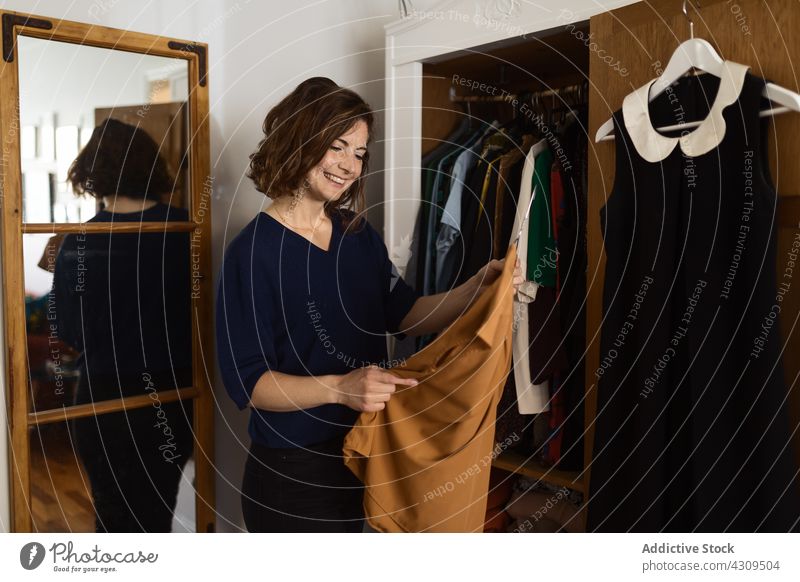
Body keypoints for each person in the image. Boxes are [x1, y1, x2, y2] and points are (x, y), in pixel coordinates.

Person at [216, 77, 522, 533]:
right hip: (294, 475)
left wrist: (476, 288)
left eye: (359, 153)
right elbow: (250, 383)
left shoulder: (356, 234)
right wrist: (340, 388)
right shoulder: (252, 252)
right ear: (301, 140)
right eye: (337, 147)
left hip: (369, 453)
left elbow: (404, 313)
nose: (348, 166)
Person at [52, 118, 193, 532]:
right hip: (172, 391)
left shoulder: (79, 242)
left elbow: (68, 330)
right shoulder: (186, 229)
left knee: (112, 516)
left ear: (91, 172)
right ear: (151, 166)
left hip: (104, 393)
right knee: (158, 512)